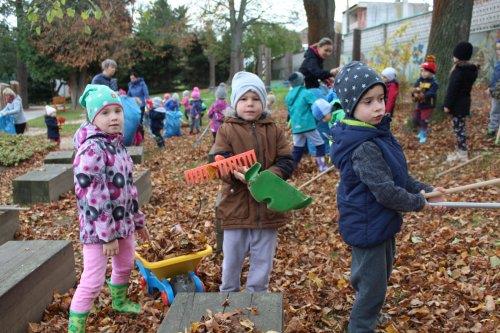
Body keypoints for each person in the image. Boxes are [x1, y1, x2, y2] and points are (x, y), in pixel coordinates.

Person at [330, 61, 446, 332]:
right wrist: (420, 203)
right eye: (368, 101)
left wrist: (428, 191)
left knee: (379, 277)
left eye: (381, 99)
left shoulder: (377, 133)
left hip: (379, 222)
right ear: (351, 107)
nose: (379, 107)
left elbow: (400, 178)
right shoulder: (364, 146)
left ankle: (368, 312)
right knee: (372, 286)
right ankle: (360, 326)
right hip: (368, 224)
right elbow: (386, 192)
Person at [68, 84, 149, 332]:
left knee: (125, 264)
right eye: (105, 113)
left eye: (117, 111)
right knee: (93, 279)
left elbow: (129, 190)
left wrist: (138, 222)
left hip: (123, 225)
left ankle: (119, 301)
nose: (114, 117)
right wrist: (107, 236)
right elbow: (94, 198)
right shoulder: (92, 149)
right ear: (93, 118)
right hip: (99, 232)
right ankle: (75, 326)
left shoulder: (117, 145)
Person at [210, 71, 294, 293]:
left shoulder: (273, 129)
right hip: (236, 204)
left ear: (263, 102)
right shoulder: (227, 129)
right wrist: (233, 171)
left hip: (268, 206)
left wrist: (269, 178)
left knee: (263, 258)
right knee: (232, 256)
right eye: (244, 99)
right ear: (235, 102)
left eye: (255, 99)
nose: (250, 104)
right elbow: (218, 159)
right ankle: (228, 292)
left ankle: (257, 294)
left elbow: (286, 160)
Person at [285, 72, 328, 172]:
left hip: (296, 127)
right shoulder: (306, 93)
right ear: (302, 81)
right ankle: (321, 166)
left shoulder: (288, 96)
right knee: (320, 145)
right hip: (308, 125)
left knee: (297, 149)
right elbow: (316, 106)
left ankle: (291, 169)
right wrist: (323, 116)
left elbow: (290, 112)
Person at [444, 42, 479, 163]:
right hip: (464, 103)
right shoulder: (471, 70)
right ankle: (460, 151)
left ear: (458, 56)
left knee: (459, 129)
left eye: (455, 55)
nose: (453, 57)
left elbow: (452, 90)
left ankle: (463, 154)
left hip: (457, 105)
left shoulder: (459, 71)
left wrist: (447, 105)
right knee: (460, 128)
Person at [412, 55, 438, 144]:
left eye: (425, 71)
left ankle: (423, 134)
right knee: (417, 117)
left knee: (424, 119)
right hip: (419, 104)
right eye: (422, 71)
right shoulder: (420, 80)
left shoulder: (433, 83)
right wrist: (415, 92)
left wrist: (423, 95)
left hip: (427, 105)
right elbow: (415, 87)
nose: (423, 73)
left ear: (431, 73)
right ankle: (421, 131)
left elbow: (432, 93)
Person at [486, 39, 500, 138]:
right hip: (496, 93)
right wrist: (490, 87)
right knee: (495, 110)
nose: (498, 51)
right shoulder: (497, 63)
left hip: (497, 90)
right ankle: (492, 129)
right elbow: (494, 78)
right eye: (497, 49)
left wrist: (492, 88)